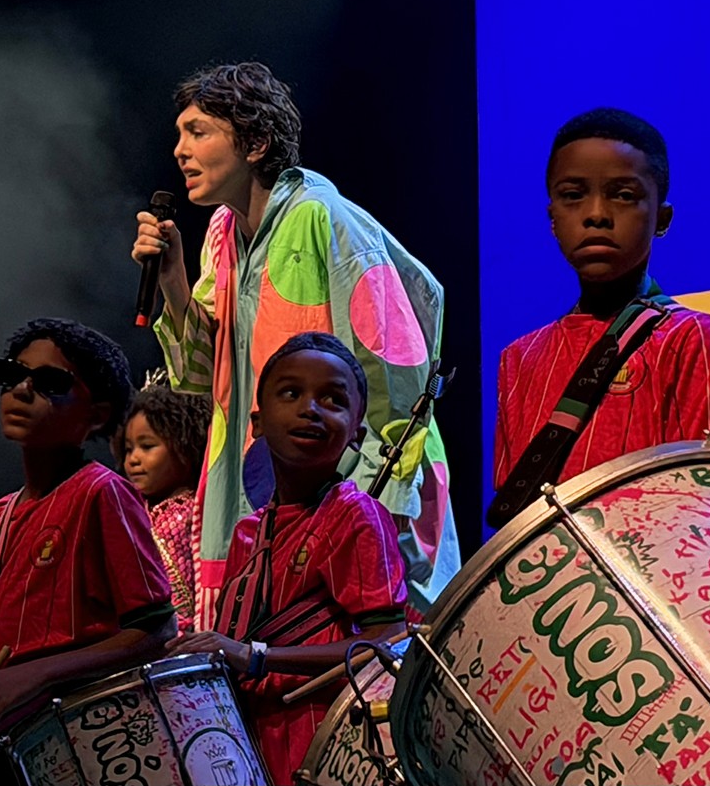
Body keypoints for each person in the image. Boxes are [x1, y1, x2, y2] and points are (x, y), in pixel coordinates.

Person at [131, 61, 458, 622]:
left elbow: (395, 369)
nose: (180, 150)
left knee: (372, 658)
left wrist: (367, 503)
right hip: (272, 490)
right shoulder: (225, 232)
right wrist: (172, 280)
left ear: (255, 142)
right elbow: (207, 379)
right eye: (179, 135)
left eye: (198, 132)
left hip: (356, 490)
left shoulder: (319, 216)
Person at [169, 332, 408, 786]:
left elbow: (388, 642)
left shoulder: (353, 515)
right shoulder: (248, 532)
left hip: (325, 744)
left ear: (356, 433)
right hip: (254, 744)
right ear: (256, 423)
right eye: (291, 393)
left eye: (333, 399)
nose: (310, 409)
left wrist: (257, 656)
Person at [0, 318, 176, 755]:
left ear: (97, 416)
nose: (22, 390)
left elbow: (156, 629)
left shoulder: (101, 492)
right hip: (2, 752)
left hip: (86, 746)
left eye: (50, 382)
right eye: (11, 375)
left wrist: (35, 674)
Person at [494, 109, 710, 494]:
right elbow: (514, 513)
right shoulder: (520, 359)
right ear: (552, 217)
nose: (596, 215)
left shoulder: (689, 337)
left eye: (624, 196)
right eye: (573, 196)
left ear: (662, 218)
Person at [113, 377, 210, 632]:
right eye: (127, 449)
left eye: (147, 447)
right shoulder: (139, 510)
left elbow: (181, 596)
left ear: (186, 444)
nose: (133, 459)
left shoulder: (182, 515)